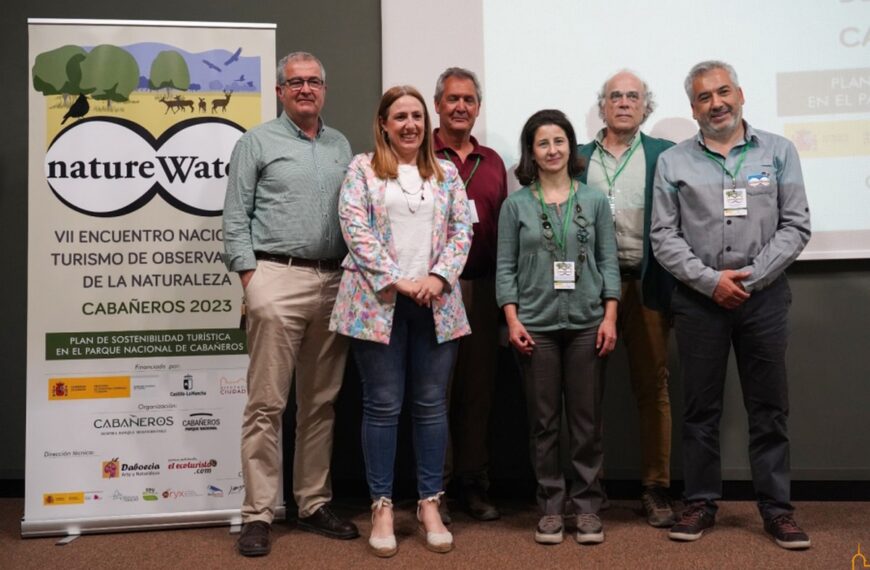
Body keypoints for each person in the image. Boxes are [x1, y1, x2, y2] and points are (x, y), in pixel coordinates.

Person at [651, 60, 812, 549]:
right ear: (692, 107)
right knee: (700, 410)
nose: (716, 102)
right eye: (704, 97)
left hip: (763, 299)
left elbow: (796, 225)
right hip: (698, 302)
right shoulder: (673, 162)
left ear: (741, 95)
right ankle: (699, 502)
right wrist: (709, 282)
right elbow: (663, 235)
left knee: (769, 409)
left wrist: (751, 277)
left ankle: (777, 510)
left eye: (723, 92)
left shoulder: (779, 151)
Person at [222, 51, 359, 558]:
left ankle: (312, 502)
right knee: (266, 405)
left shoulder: (341, 144)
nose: (305, 89)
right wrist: (252, 281)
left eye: (314, 82)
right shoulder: (256, 141)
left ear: (324, 89)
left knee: (320, 403)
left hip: (334, 282)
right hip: (275, 277)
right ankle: (258, 513)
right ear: (280, 91)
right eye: (295, 82)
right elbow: (235, 216)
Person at [329, 85, 473, 557]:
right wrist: (397, 279)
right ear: (384, 124)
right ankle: (383, 506)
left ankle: (430, 503)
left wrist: (437, 276)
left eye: (416, 115)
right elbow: (354, 227)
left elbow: (460, 231)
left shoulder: (447, 173)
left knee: (432, 407)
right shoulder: (361, 169)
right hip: (379, 302)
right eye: (400, 116)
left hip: (436, 301)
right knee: (383, 407)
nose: (410, 124)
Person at [496, 109, 620, 545]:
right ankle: (550, 505)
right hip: (535, 326)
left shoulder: (594, 200)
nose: (552, 150)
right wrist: (511, 319)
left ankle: (587, 505)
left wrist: (610, 316)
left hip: (588, 323)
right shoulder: (515, 206)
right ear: (531, 152)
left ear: (571, 146)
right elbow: (505, 269)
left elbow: (609, 263)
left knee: (586, 423)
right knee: (544, 423)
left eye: (559, 141)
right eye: (543, 143)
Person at [577, 70, 677, 528]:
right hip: (589, 290)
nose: (623, 102)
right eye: (614, 96)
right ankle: (588, 492)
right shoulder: (577, 158)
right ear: (602, 106)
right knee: (584, 394)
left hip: (647, 284)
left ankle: (655, 488)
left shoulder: (666, 155)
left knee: (652, 387)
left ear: (645, 106)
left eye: (632, 96)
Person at [432, 67, 507, 523]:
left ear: (477, 107)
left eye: (469, 100)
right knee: (435, 390)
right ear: (437, 104)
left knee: (478, 392)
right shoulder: (419, 152)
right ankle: (433, 484)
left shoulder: (493, 161)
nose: (461, 107)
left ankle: (472, 483)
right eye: (452, 99)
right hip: (434, 290)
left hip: (481, 287)